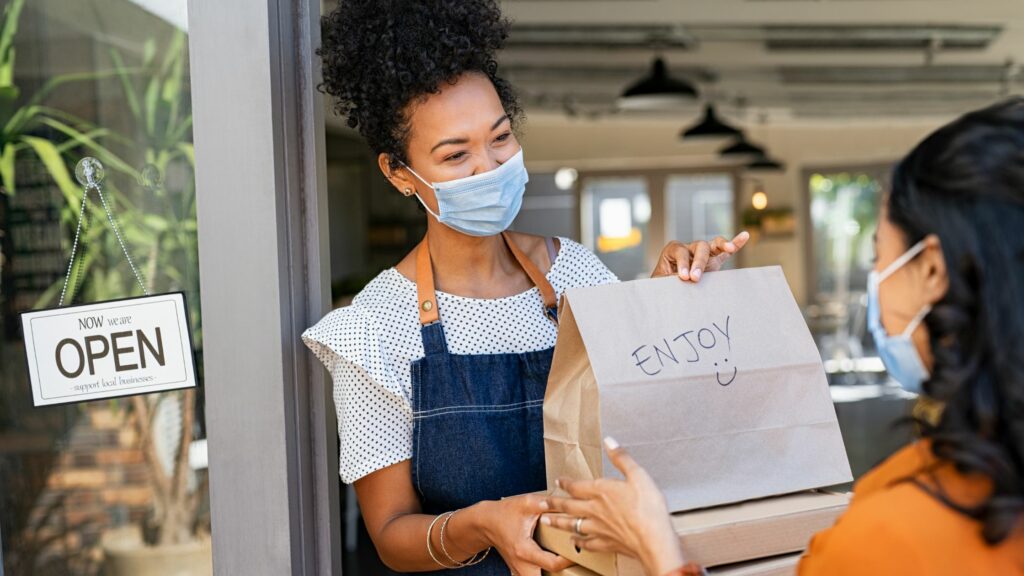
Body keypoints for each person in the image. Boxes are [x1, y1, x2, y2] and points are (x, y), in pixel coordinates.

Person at [302, 2, 748, 575]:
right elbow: (390, 534)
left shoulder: (577, 274)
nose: (488, 167)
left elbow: (641, 405)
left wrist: (664, 298)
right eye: (456, 154)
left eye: (501, 138)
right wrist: (483, 523)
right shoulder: (373, 331)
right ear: (397, 173)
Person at [543, 98, 1024, 575]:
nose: (876, 274)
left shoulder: (893, 537)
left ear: (933, 270)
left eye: (879, 254)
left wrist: (656, 549)